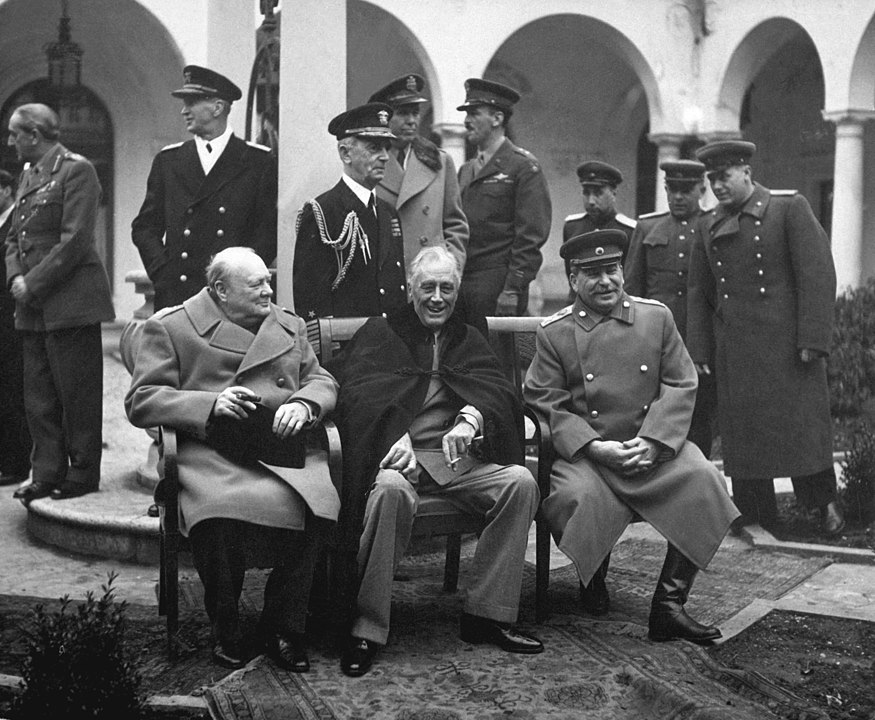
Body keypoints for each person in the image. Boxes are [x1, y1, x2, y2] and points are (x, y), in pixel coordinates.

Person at [328, 246, 542, 678]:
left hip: (455, 464)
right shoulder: (382, 331)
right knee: (388, 491)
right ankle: (367, 627)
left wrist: (471, 417)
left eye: (447, 288)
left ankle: (487, 614)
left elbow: (499, 393)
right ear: (412, 289)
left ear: (457, 289)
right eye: (428, 287)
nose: (438, 298)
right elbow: (354, 394)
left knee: (520, 482)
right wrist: (394, 433)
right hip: (399, 462)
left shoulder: (468, 336)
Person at [125, 247, 339, 671]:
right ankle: (226, 623)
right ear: (220, 290)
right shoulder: (171, 327)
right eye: (256, 284)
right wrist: (209, 403)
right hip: (212, 451)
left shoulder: (287, 325)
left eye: (268, 280)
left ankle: (284, 626)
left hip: (280, 447)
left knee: (318, 505)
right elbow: (142, 400)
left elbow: (321, 378)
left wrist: (304, 403)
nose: (268, 290)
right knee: (219, 513)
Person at [524, 229, 739, 644]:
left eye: (612, 270)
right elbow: (544, 400)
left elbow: (681, 382)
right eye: (592, 274)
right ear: (573, 280)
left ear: (622, 271)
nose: (605, 282)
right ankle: (593, 578)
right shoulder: (555, 332)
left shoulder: (655, 317)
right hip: (589, 454)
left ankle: (669, 607)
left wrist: (656, 441)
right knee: (578, 499)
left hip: (651, 449)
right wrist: (593, 446)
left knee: (704, 478)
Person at [687, 140, 844, 536]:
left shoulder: (788, 209)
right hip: (736, 349)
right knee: (744, 433)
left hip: (789, 347)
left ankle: (824, 505)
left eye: (723, 177)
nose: (717, 186)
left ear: (745, 172)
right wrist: (700, 349)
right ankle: (755, 512)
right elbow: (699, 293)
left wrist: (813, 338)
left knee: (804, 428)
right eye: (711, 180)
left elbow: (817, 274)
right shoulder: (707, 224)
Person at [5, 103, 114, 502]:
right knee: (39, 396)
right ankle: (46, 471)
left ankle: (82, 473)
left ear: (34, 134)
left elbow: (76, 241)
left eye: (15, 133)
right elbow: (16, 236)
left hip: (71, 302)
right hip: (33, 306)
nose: (10, 141)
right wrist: (16, 276)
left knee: (76, 394)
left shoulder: (76, 170)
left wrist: (30, 283)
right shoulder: (29, 174)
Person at [132, 65, 278, 311]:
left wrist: (243, 278)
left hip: (232, 298)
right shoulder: (169, 161)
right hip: (178, 296)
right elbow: (144, 227)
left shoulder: (257, 161)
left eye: (191, 102)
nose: (183, 111)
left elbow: (267, 230)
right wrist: (163, 272)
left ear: (218, 107)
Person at [624, 159, 716, 456]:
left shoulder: (714, 226)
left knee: (698, 413)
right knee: (652, 410)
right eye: (672, 189)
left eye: (685, 190)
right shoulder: (648, 226)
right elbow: (632, 288)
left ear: (701, 189)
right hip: (653, 338)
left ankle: (696, 474)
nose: (677, 197)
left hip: (698, 340)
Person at [293, 102, 406, 320]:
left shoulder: (388, 212)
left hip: (391, 341)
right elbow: (310, 296)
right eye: (374, 148)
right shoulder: (322, 212)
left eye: (386, 148)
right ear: (346, 154)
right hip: (349, 345)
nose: (384, 157)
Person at [457, 78, 551, 317]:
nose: (467, 121)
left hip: (498, 285)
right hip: (463, 284)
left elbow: (530, 237)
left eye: (474, 113)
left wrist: (513, 289)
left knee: (497, 353)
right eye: (467, 114)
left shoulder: (523, 167)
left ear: (497, 119)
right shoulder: (466, 170)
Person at [368, 73, 469, 271]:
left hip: (430, 276)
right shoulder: (369, 163)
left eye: (415, 113)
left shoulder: (439, 162)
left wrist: (452, 267)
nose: (412, 121)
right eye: (403, 113)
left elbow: (455, 224)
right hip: (385, 275)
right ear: (384, 118)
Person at [562, 161, 636, 297]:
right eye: (586, 193)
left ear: (613, 193)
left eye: (598, 193)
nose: (591, 201)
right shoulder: (572, 227)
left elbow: (631, 280)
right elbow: (571, 273)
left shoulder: (629, 231)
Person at [0, 169, 32, 487]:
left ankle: (17, 463)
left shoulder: (17, 222)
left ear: (8, 191)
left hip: (12, 319)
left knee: (13, 390)